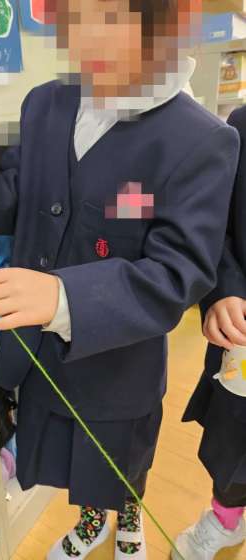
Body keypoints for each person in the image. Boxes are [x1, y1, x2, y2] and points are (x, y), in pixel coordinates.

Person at [0, 1, 239, 558]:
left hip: (120, 367)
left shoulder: (200, 140)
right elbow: (24, 193)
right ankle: (92, 520)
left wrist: (65, 295)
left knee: (121, 461)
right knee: (74, 462)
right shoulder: (46, 103)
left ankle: (129, 520)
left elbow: (179, 270)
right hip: (42, 356)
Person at [174, 106, 246, 560]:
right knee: (232, 448)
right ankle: (227, 520)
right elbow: (213, 225)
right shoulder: (239, 128)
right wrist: (223, 290)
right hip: (241, 339)